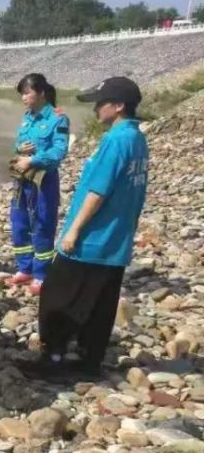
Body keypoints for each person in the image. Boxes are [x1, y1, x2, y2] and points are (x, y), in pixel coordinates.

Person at [36, 76, 149, 378]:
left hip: (92, 240)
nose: (97, 109)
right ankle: (89, 363)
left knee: (57, 298)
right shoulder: (137, 139)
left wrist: (73, 231)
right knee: (100, 303)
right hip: (116, 240)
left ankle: (54, 360)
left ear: (119, 105)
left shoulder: (115, 140)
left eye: (101, 103)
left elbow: (98, 192)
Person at [10, 73, 70, 295]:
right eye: (22, 94)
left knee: (43, 224)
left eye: (27, 93)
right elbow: (19, 143)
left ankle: (41, 274)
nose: (24, 98)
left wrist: (33, 159)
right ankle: (25, 267)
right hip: (23, 179)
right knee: (19, 222)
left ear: (41, 93)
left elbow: (59, 151)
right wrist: (20, 150)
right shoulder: (27, 117)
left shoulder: (57, 118)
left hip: (43, 180)